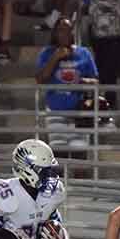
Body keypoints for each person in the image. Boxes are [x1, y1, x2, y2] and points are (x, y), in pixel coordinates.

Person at [35, 17, 98, 148]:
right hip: (55, 111)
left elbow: (95, 82)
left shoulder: (83, 53)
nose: (65, 34)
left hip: (80, 112)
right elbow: (40, 79)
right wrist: (55, 57)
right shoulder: (47, 53)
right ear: (55, 33)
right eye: (61, 31)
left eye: (68, 30)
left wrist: (80, 82)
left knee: (79, 153)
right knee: (59, 153)